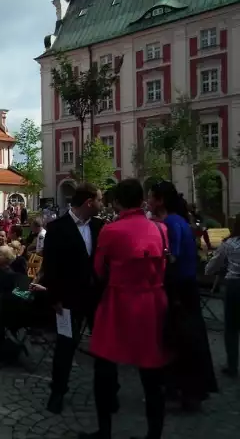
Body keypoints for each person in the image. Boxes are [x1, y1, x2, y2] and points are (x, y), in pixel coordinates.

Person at [79, 179, 169, 439]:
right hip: (152, 302)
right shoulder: (160, 229)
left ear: (117, 202)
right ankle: (154, 434)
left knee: (105, 369)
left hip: (119, 302)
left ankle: (104, 430)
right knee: (152, 373)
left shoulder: (111, 230)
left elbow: (98, 270)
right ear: (142, 199)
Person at [148, 181, 217, 411]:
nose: (148, 201)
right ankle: (179, 388)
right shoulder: (180, 221)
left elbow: (172, 258)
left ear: (160, 200)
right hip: (186, 287)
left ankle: (187, 392)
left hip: (178, 289)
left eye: (151, 197)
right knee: (186, 339)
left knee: (181, 340)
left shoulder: (170, 223)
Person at [43, 183, 104, 414]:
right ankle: (58, 391)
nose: (102, 203)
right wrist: (55, 297)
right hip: (67, 298)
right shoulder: (57, 228)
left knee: (103, 343)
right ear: (89, 202)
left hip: (96, 297)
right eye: (99, 199)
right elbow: (51, 266)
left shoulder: (100, 226)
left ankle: (107, 388)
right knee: (65, 345)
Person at [205, 213, 240, 378]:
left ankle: (232, 365)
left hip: (234, 285)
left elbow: (213, 264)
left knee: (231, 328)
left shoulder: (229, 243)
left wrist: (209, 270)